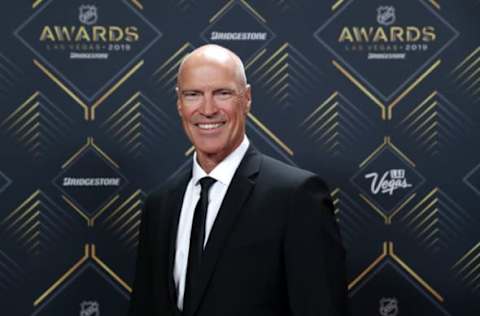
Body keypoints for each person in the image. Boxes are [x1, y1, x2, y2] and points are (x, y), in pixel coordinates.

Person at [128, 44, 348, 316]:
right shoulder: (159, 204)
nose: (207, 109)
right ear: (179, 103)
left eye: (222, 93)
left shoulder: (296, 197)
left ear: (247, 99)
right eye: (193, 94)